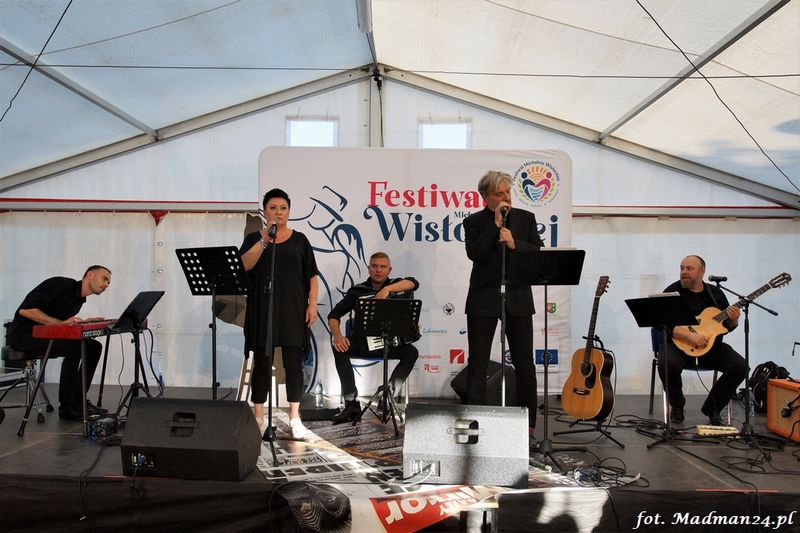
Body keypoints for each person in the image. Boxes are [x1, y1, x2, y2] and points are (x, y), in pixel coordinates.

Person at [464, 170, 543, 433]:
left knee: (524, 364)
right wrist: (495, 225)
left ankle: (528, 425)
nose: (505, 197)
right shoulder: (474, 222)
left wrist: (514, 243)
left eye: (508, 191)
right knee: (477, 364)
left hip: (518, 297)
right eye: (499, 193)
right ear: (485, 197)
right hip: (483, 298)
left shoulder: (526, 218)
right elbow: (475, 253)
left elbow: (538, 252)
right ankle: (476, 423)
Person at [240, 188, 319, 439]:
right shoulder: (254, 238)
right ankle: (259, 416)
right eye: (273, 208)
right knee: (262, 363)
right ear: (265, 211)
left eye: (283, 208)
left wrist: (312, 304)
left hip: (293, 308)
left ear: (289, 211)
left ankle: (295, 417)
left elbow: (311, 275)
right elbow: (244, 265)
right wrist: (264, 239)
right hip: (262, 308)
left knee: (293, 364)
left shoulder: (300, 240)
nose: (278, 212)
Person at [6, 265, 112, 421]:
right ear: (90, 275)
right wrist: (61, 323)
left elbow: (61, 325)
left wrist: (83, 323)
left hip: (44, 335)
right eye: (104, 279)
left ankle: (78, 402)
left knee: (93, 347)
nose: (106, 284)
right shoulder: (60, 284)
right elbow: (26, 311)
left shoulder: (78, 301)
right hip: (24, 335)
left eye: (108, 282)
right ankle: (67, 408)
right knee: (76, 347)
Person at [327, 252, 419, 423]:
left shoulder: (397, 284)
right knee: (339, 348)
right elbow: (333, 315)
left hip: (390, 344)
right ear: (368, 268)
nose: (378, 270)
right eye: (374, 266)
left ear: (389, 270)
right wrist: (338, 336)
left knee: (411, 352)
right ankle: (351, 404)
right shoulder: (357, 291)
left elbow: (413, 283)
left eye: (383, 267)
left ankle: (387, 396)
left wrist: (387, 290)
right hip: (364, 344)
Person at [658, 255, 747, 426]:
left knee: (740, 366)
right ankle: (677, 404)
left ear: (701, 271)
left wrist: (734, 320)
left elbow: (725, 327)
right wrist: (688, 335)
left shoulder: (716, 294)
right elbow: (661, 323)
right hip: (678, 346)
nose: (684, 272)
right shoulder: (672, 291)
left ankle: (713, 408)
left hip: (711, 348)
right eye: (682, 268)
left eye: (689, 268)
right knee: (666, 363)